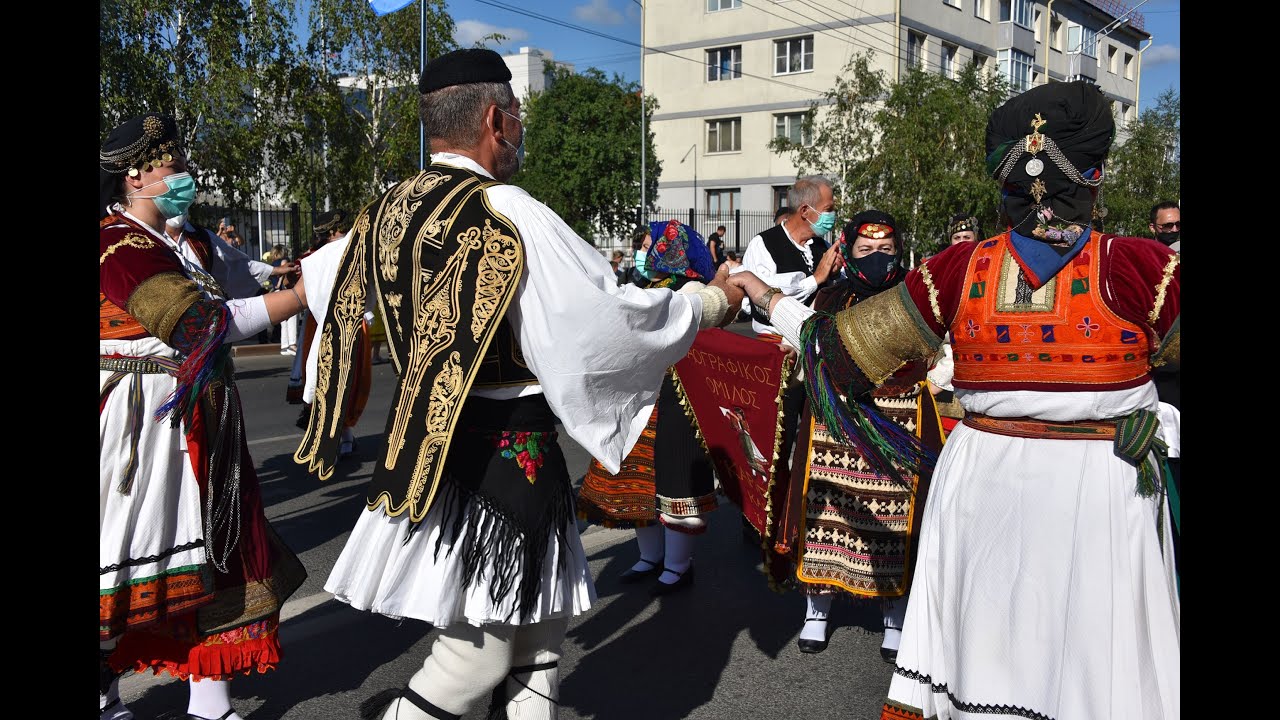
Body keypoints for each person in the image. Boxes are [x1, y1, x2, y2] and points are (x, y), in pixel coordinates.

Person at [293, 48, 744, 720]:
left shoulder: (386, 209)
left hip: (433, 447)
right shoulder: (507, 210)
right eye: (518, 117)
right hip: (507, 454)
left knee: (540, 632)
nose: (521, 130)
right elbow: (604, 321)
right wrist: (711, 303)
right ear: (497, 120)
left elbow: (319, 284)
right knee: (477, 654)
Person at [728, 80, 1179, 719]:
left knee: (983, 659)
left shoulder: (957, 269)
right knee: (1094, 669)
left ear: (1004, 185)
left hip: (984, 487)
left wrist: (769, 300)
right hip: (1099, 491)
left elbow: (844, 350)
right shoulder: (1143, 268)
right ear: (1096, 175)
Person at [100, 113, 309, 720]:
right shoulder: (118, 246)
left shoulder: (185, 240)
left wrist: (300, 273)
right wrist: (299, 299)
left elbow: (245, 275)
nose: (184, 176)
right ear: (134, 175)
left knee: (217, 553)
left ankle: (209, 704)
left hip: (203, 421)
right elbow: (203, 325)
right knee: (129, 557)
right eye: (172, 165)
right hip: (142, 427)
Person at [768, 211, 945, 662]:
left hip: (903, 421)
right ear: (847, 252)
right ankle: (816, 610)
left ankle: (895, 616)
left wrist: (941, 372)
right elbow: (808, 344)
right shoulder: (829, 296)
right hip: (836, 424)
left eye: (886, 251)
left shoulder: (917, 297)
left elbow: (948, 346)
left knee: (901, 520)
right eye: (866, 251)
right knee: (826, 512)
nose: (876, 259)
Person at [577, 220, 723, 596]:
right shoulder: (643, 287)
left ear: (670, 250)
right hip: (641, 396)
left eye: (649, 244)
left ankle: (678, 565)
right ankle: (650, 556)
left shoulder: (693, 290)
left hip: (677, 398)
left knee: (676, 482)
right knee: (638, 482)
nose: (645, 252)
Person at [295, 209, 372, 460]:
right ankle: (344, 437)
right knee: (351, 380)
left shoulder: (312, 259)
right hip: (354, 324)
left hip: (320, 325)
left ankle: (332, 440)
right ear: (333, 231)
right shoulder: (355, 248)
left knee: (325, 380)